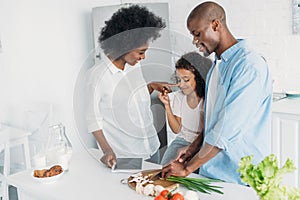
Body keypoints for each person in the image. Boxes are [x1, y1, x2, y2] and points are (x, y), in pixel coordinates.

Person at [162, 1, 273, 185]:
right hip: (213, 171)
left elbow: (226, 128)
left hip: (240, 177)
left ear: (215, 25)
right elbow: (212, 122)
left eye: (197, 34)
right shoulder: (217, 66)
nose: (195, 41)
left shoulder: (249, 65)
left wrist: (187, 168)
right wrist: (192, 149)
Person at [86, 5, 169, 168]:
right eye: (141, 52)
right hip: (126, 156)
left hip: (152, 148)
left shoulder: (134, 66)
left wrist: (151, 86)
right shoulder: (97, 76)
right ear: (124, 46)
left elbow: (133, 98)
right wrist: (107, 150)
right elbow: (93, 120)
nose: (143, 57)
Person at [158, 52, 212, 166]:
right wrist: (167, 105)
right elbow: (176, 130)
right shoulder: (178, 97)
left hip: (201, 144)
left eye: (186, 80)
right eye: (179, 80)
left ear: (199, 78)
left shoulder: (208, 99)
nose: (181, 85)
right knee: (164, 168)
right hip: (182, 141)